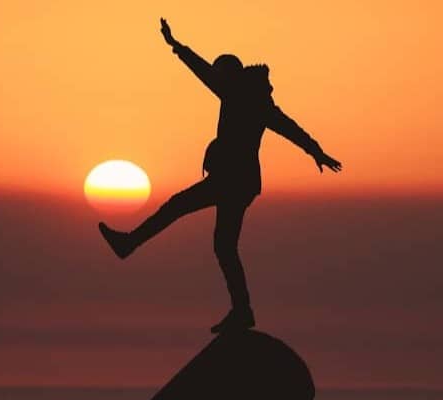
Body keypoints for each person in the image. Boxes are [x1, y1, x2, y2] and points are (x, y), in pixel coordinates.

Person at [98, 18, 342, 334]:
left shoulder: (235, 90)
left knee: (178, 208)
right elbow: (290, 127)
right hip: (242, 184)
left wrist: (176, 46)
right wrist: (316, 151)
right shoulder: (259, 101)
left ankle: (129, 244)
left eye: (219, 74)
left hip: (231, 181)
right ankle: (242, 310)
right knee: (223, 245)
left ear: (228, 74)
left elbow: (203, 72)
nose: (217, 80)